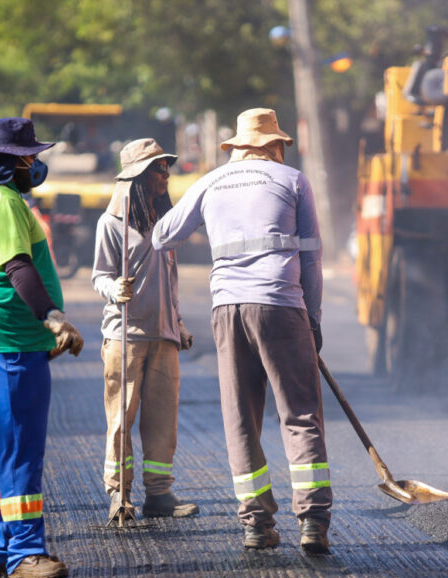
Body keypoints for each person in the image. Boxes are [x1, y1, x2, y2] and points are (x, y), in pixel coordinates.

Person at [151, 108, 331, 554]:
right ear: (274, 146)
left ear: (236, 148)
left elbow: (161, 237)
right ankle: (313, 522)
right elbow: (311, 257)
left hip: (228, 309)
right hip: (282, 306)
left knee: (241, 418)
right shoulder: (291, 181)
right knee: (300, 414)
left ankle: (256, 524)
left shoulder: (211, 182)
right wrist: (313, 317)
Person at [0, 117, 84, 578]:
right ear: (15, 161)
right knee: (20, 450)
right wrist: (51, 317)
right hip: (8, 339)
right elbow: (17, 267)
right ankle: (25, 552)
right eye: (30, 157)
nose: (35, 164)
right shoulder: (4, 202)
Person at [91, 138, 200, 522]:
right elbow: (99, 275)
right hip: (126, 336)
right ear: (137, 177)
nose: (165, 174)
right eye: (157, 168)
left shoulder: (165, 226)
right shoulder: (112, 224)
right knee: (122, 417)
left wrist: (179, 323)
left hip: (164, 336)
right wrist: (112, 288)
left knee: (162, 419)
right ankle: (119, 494)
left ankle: (159, 494)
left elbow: (168, 281)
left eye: (165, 166)